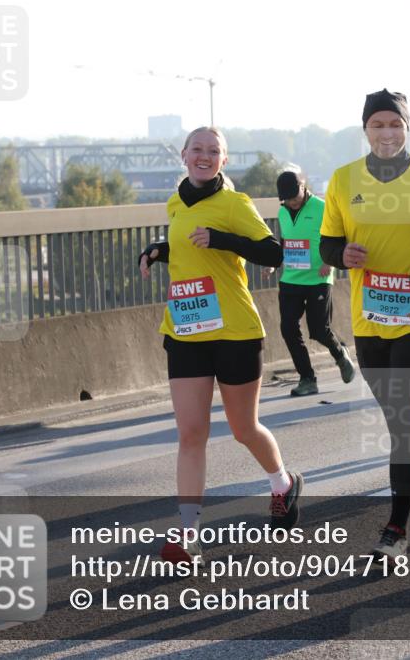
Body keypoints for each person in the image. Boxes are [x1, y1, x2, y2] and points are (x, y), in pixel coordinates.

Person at [139, 126, 303, 564]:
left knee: (243, 429)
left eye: (213, 151)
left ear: (223, 161)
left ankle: (282, 484)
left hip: (235, 332)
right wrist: (158, 250)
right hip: (186, 330)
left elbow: (273, 253)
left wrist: (221, 239)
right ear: (183, 155)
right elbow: (189, 248)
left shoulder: (235, 204)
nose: (204, 156)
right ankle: (188, 534)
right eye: (197, 149)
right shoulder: (175, 203)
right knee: (191, 434)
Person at [319, 89, 410, 557]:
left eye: (395, 124)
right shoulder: (343, 179)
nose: (387, 132)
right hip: (369, 320)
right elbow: (327, 244)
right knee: (403, 422)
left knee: (404, 422)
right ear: (365, 130)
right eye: (378, 124)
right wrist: (341, 254)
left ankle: (395, 527)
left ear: (407, 129)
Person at [266, 171, 355, 396]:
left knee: (319, 330)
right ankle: (307, 379)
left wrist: (330, 261)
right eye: (287, 199)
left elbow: (340, 237)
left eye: (295, 196)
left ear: (303, 186)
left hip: (318, 277)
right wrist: (274, 264)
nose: (292, 202)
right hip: (291, 279)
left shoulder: (322, 208)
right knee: (288, 329)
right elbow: (286, 241)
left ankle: (339, 353)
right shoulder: (282, 212)